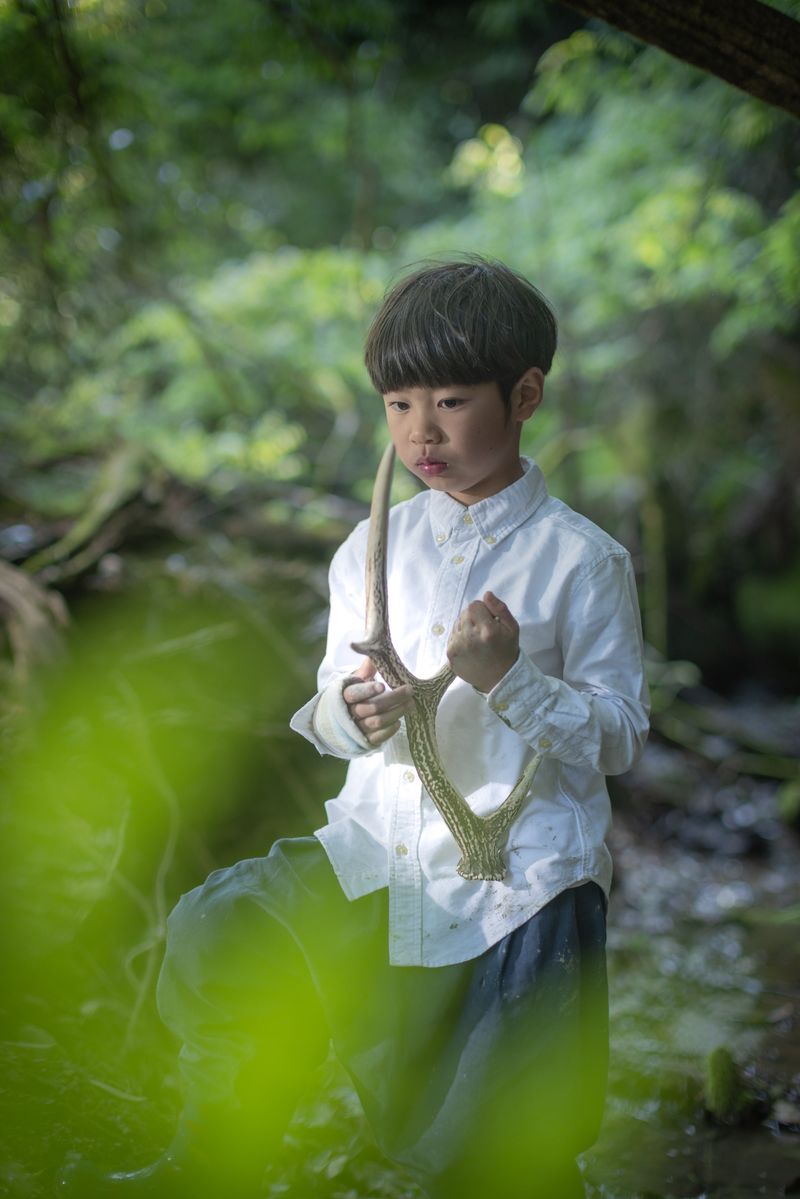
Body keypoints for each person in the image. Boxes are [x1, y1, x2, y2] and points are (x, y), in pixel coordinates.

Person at [58, 257, 649, 1198]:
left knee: (502, 1138)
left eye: (452, 402)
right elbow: (332, 706)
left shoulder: (583, 560)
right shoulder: (370, 546)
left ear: (526, 394)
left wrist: (509, 680)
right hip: (376, 851)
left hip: (523, 884)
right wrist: (351, 711)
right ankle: (218, 1160)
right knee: (220, 930)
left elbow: (620, 735)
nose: (422, 431)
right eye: (399, 404)